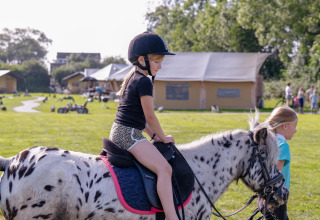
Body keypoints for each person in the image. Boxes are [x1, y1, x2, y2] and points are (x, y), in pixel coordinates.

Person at [109, 32, 179, 220]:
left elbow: (140, 118)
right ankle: (172, 217)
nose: (160, 65)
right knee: (165, 169)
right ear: (142, 60)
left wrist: (153, 136)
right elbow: (150, 116)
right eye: (157, 61)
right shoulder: (144, 82)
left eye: (161, 61)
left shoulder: (134, 78)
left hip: (122, 131)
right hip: (128, 135)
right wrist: (163, 137)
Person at [263, 106, 298, 220]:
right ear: (285, 126)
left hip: (265, 197)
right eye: (295, 126)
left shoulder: (268, 142)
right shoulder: (283, 146)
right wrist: (269, 199)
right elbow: (275, 176)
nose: (296, 130)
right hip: (276, 199)